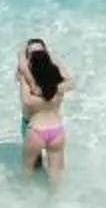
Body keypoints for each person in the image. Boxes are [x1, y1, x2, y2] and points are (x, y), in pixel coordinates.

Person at [16, 38, 71, 185]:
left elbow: (26, 101)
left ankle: (23, 200)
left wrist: (33, 86)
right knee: (56, 173)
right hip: (56, 129)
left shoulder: (27, 81)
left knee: (28, 171)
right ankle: (56, 203)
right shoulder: (59, 83)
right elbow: (70, 82)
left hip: (36, 130)